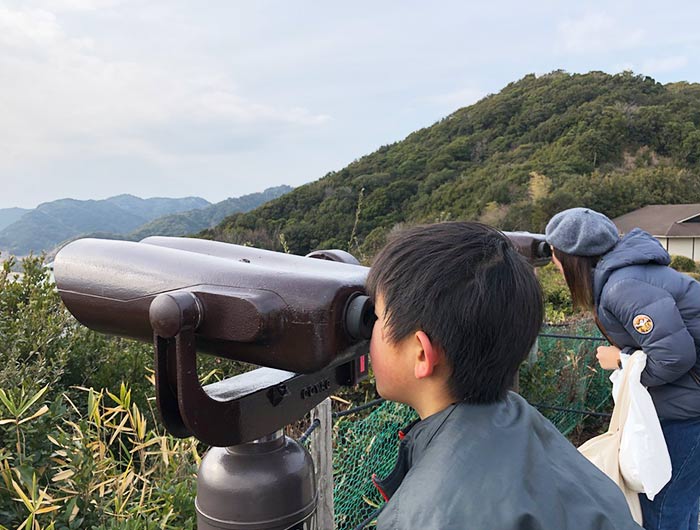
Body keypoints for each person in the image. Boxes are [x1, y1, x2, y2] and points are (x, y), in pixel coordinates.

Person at [367, 221, 642, 530]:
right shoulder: (523, 422)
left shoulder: (423, 515)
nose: (368, 333)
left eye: (376, 317)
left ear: (421, 353)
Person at [545, 207, 700, 530]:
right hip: (686, 404)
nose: (553, 264)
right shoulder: (626, 273)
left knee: (663, 511)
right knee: (681, 505)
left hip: (687, 413)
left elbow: (674, 356)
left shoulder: (622, 286)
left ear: (572, 258)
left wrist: (620, 360)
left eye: (554, 255)